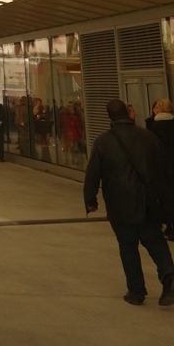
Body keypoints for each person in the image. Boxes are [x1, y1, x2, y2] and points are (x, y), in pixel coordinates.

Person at [84, 98, 174, 306]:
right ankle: (169, 276)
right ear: (128, 113)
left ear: (110, 117)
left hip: (119, 204)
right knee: (155, 241)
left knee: (127, 246)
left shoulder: (103, 142)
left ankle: (136, 291)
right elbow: (164, 170)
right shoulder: (148, 136)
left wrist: (91, 200)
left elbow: (92, 174)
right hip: (147, 203)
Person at [148, 98, 174, 240]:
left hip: (163, 168)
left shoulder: (156, 127)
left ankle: (169, 226)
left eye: (157, 107)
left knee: (166, 198)